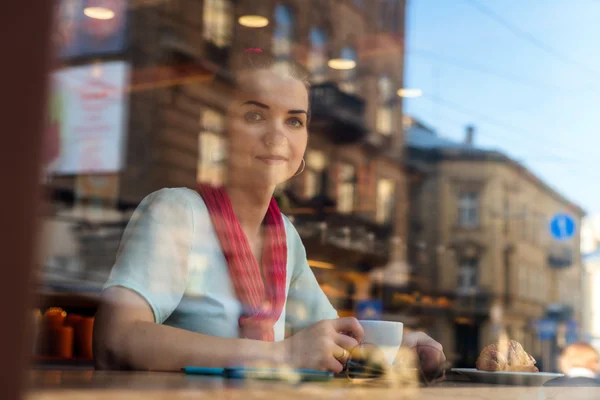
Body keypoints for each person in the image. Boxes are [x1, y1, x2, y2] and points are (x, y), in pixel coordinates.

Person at [93, 51, 445, 374]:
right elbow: (117, 340)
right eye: (255, 115)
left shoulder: (284, 237)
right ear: (225, 129)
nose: (277, 134)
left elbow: (332, 339)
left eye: (294, 121)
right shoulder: (176, 212)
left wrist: (402, 347)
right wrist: (280, 355)